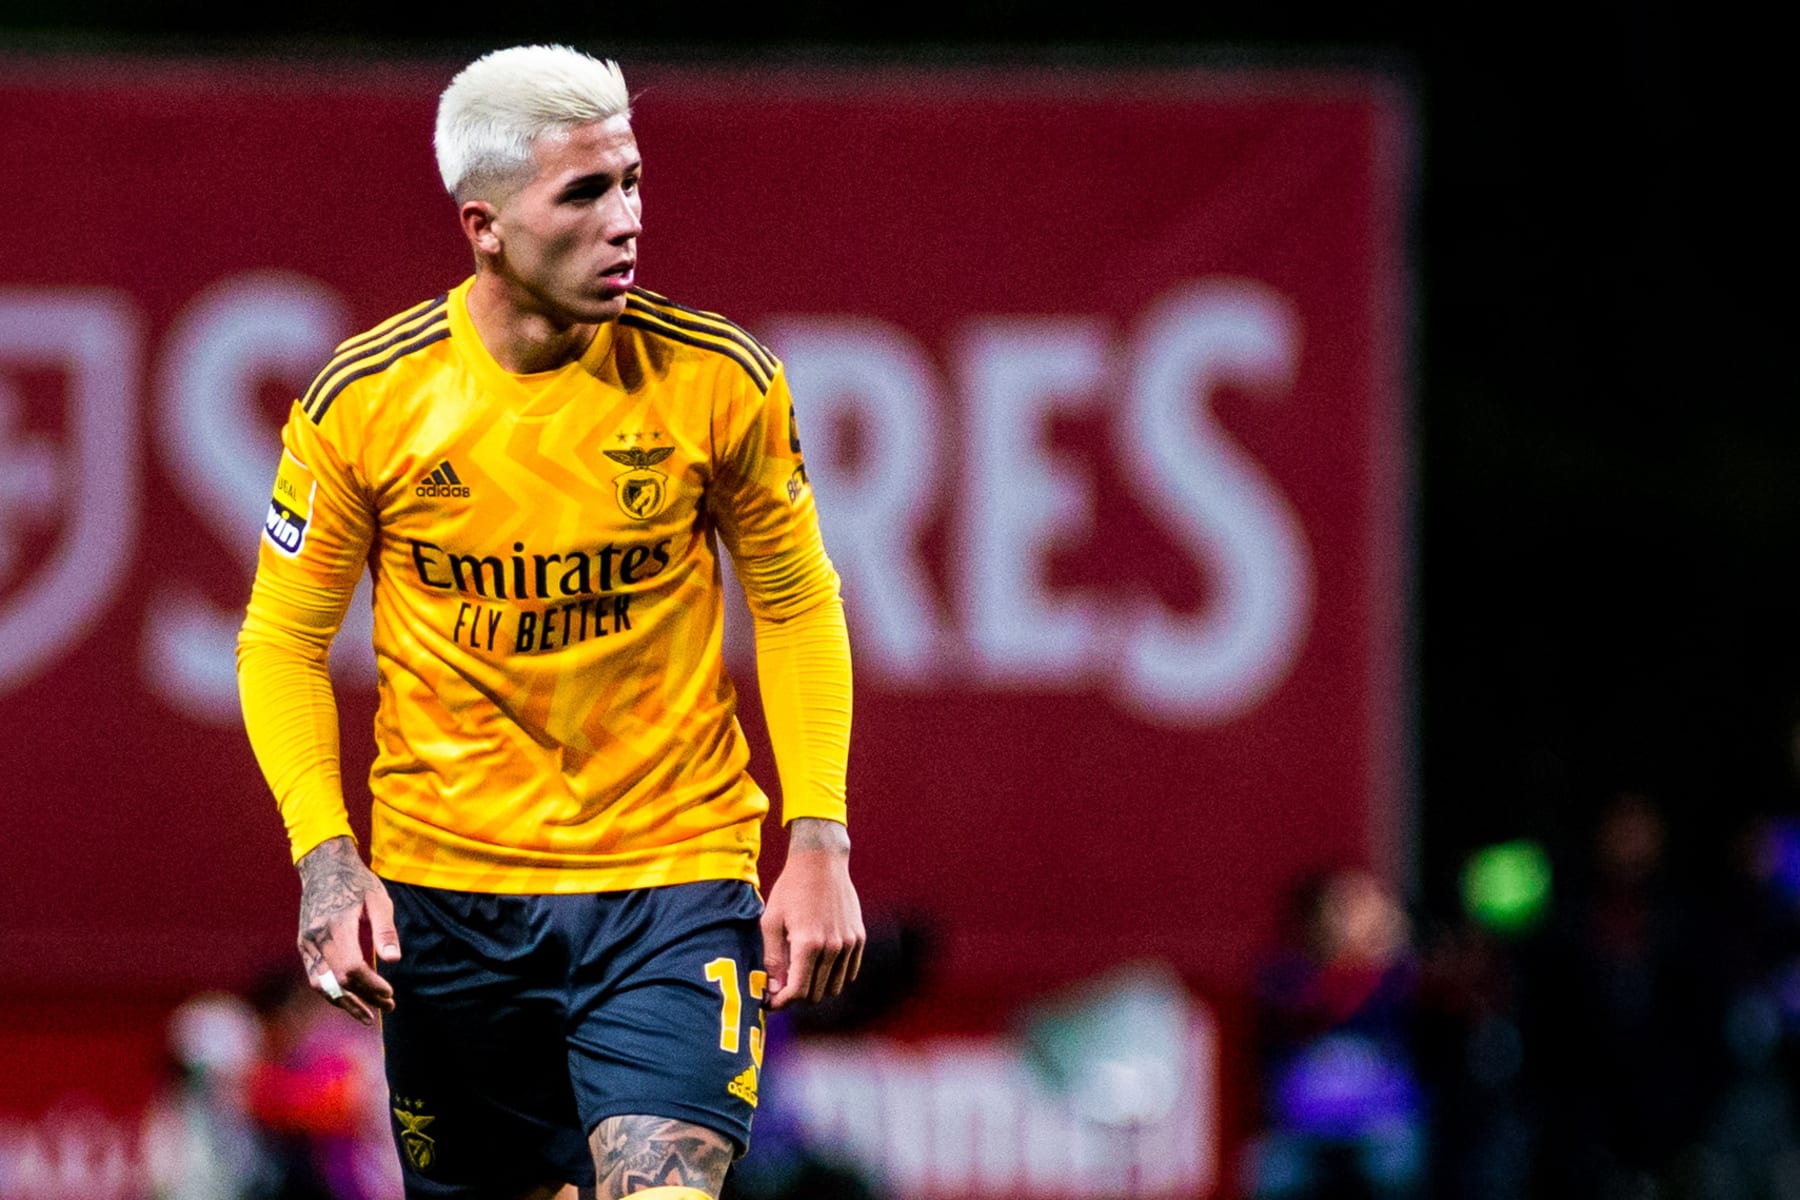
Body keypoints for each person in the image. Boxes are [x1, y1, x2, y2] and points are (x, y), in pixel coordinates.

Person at [236, 43, 864, 1200]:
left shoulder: (721, 379)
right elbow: (278, 641)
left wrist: (819, 840)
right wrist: (326, 862)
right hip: (447, 901)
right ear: (484, 225)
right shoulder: (366, 403)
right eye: (584, 192)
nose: (625, 219)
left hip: (670, 883)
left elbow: (795, 598)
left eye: (630, 180)